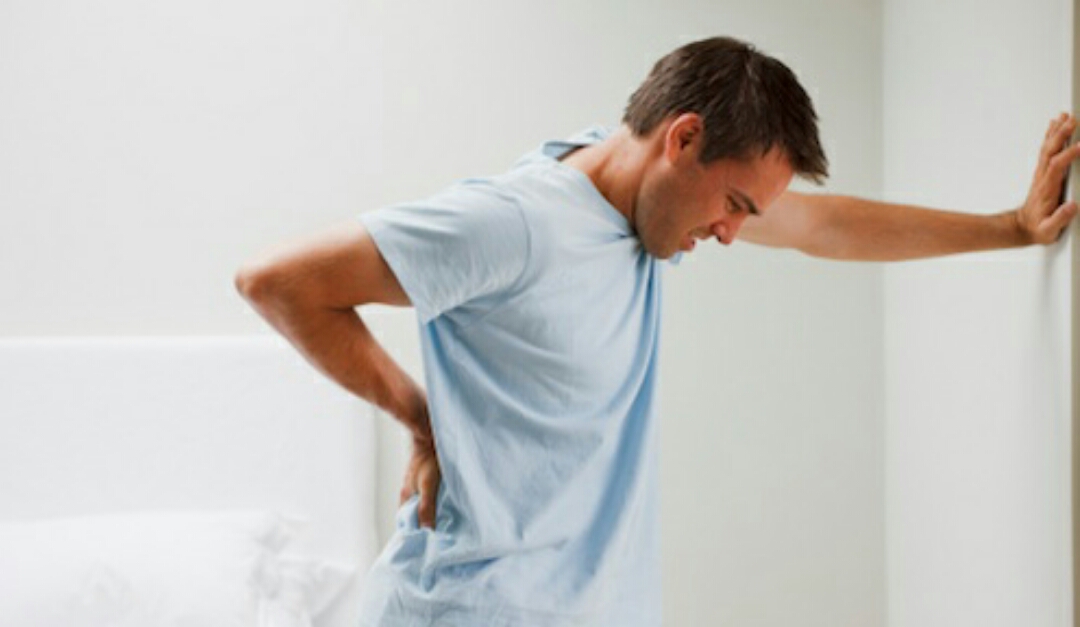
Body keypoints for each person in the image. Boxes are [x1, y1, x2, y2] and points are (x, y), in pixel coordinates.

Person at [234, 36, 1078, 626]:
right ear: (684, 138)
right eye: (734, 204)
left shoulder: (627, 194)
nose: (731, 234)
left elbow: (824, 226)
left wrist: (1011, 227)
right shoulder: (515, 223)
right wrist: (418, 416)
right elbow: (279, 281)